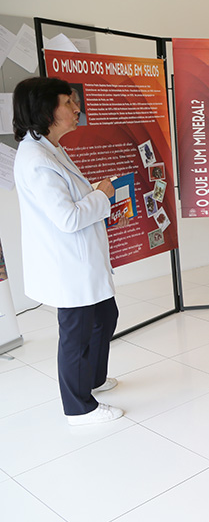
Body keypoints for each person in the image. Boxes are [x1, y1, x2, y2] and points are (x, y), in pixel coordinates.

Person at [13, 77, 125, 425]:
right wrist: (102, 195)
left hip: (80, 259)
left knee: (106, 317)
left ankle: (93, 380)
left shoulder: (50, 147)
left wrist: (91, 194)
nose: (77, 109)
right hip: (67, 264)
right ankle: (79, 408)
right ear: (45, 110)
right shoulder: (36, 159)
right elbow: (67, 217)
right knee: (76, 334)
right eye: (69, 102)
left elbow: (66, 200)